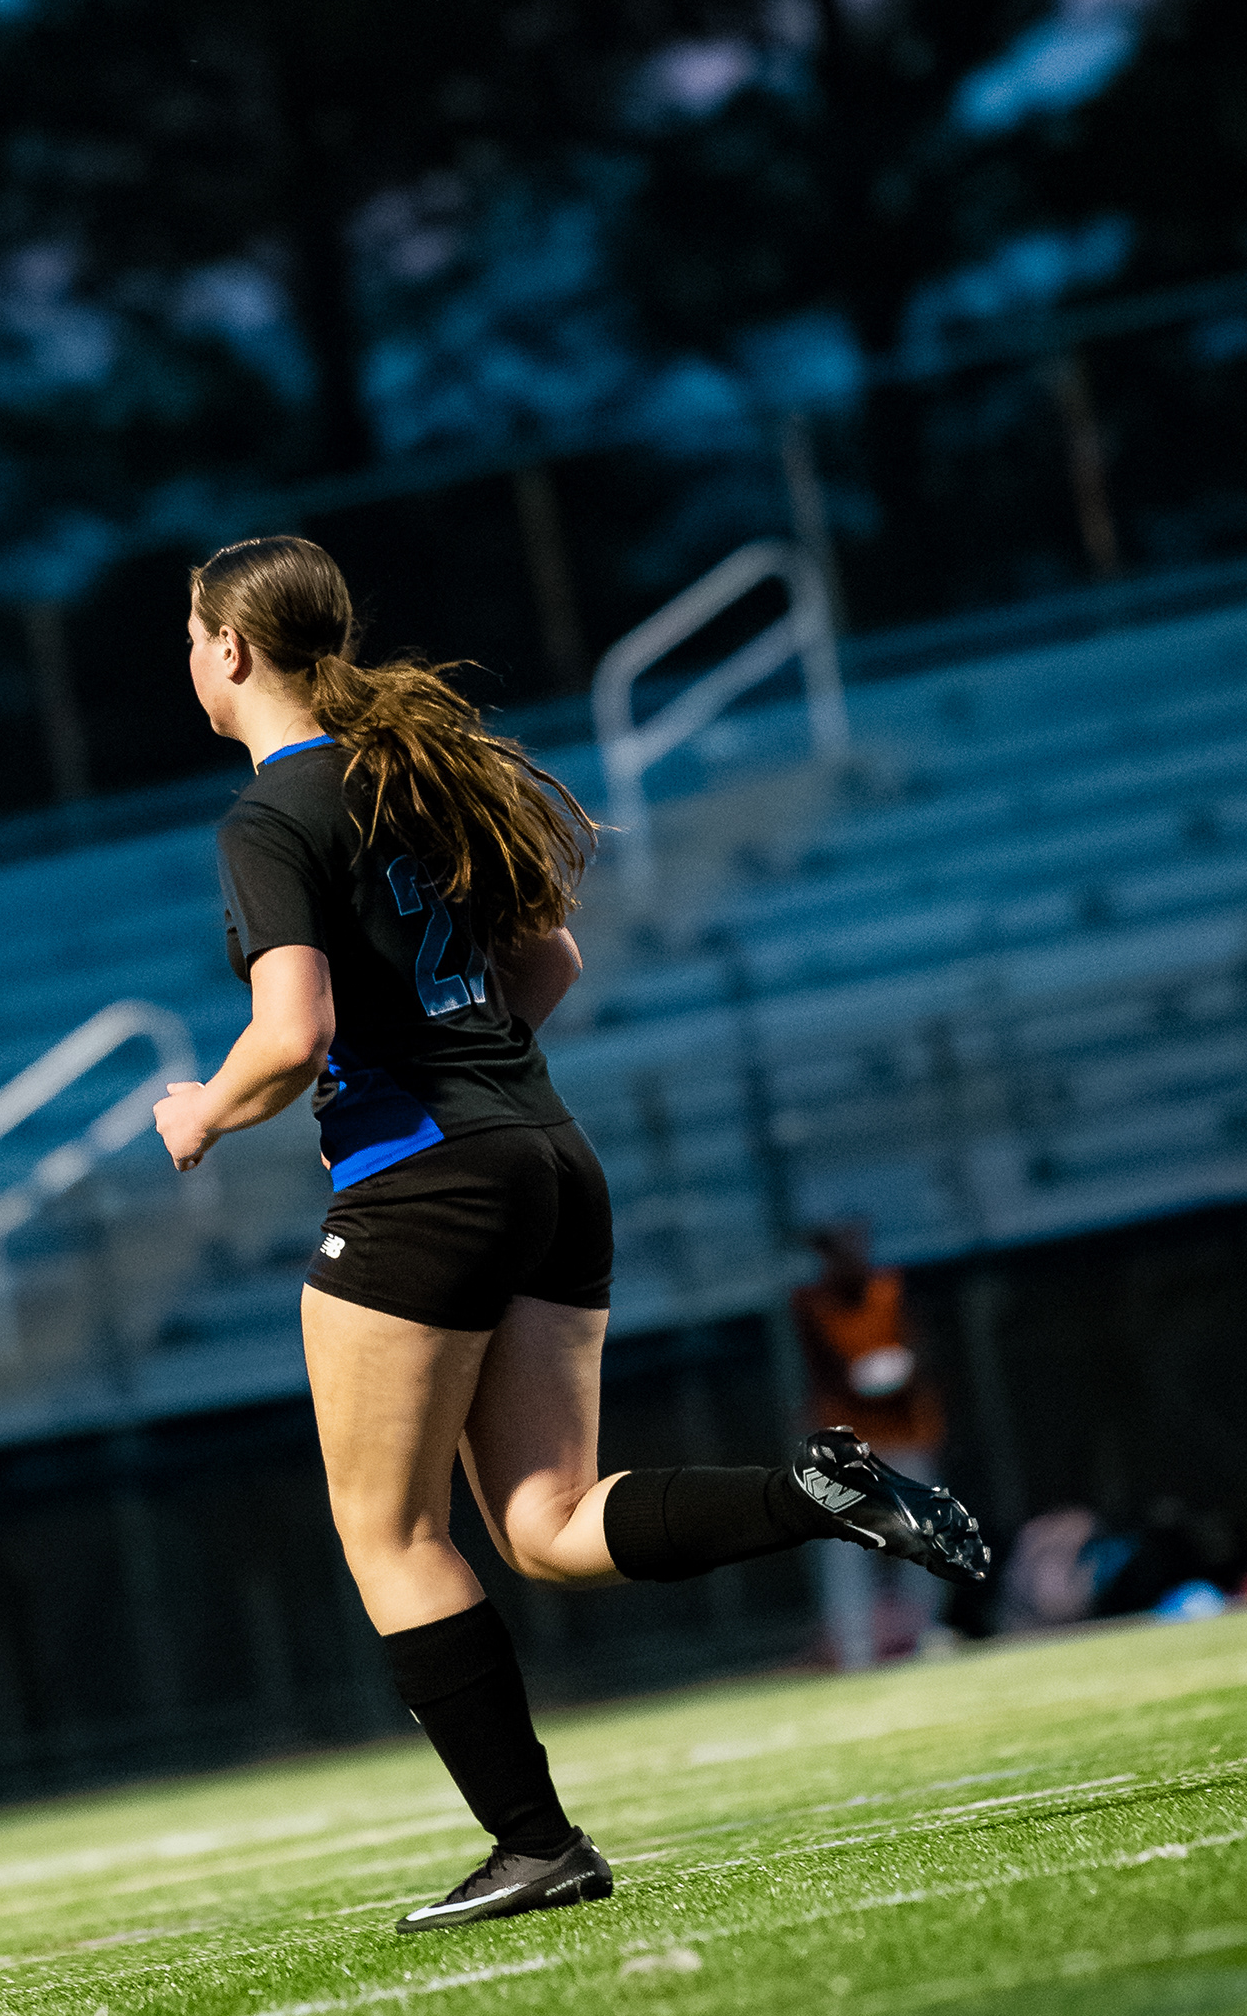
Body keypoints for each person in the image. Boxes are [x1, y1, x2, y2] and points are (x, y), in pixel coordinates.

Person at [154, 536, 989, 1933]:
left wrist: (203, 1114)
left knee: (391, 1537)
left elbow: (290, 1038)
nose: (190, 661)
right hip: (548, 1154)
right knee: (544, 1524)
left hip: (422, 1183)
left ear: (231, 648)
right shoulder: (414, 776)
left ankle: (535, 1845)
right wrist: (468, 1068)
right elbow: (552, 962)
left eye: (192, 637)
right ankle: (813, 1496)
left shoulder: (269, 814)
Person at [791, 1223, 951, 1667]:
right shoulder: (809, 1302)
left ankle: (928, 1631)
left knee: (922, 1535)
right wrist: (864, 1381)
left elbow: (921, 1352)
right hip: (846, 1445)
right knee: (846, 1543)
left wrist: (903, 1372)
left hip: (906, 1434)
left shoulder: (891, 1288)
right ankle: (855, 1647)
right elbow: (828, 1372)